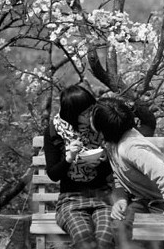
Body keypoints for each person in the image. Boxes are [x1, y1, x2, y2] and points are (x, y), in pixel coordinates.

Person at [90, 98, 164, 248]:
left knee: (152, 237)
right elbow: (120, 174)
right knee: (119, 225)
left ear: (103, 128)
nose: (90, 119)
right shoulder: (114, 140)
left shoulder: (131, 148)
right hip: (148, 201)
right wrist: (121, 199)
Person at [43, 84, 115, 249]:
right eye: (86, 113)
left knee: (105, 239)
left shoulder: (99, 127)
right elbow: (53, 174)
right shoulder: (54, 132)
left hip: (102, 197)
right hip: (70, 199)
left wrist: (102, 161)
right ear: (73, 116)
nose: (92, 116)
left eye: (92, 110)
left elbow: (112, 170)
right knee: (84, 241)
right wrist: (68, 159)